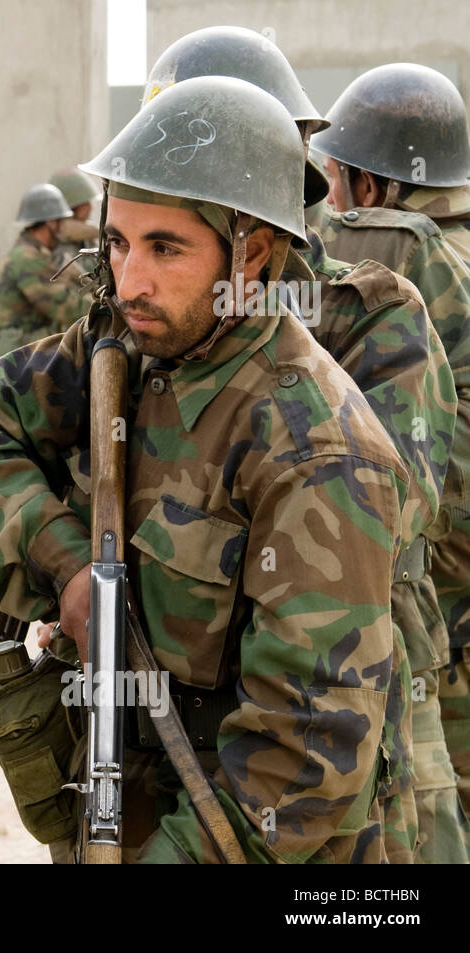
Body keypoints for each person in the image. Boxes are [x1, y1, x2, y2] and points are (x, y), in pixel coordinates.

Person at [0, 76, 405, 863]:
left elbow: (302, 772)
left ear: (253, 251)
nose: (129, 280)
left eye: (165, 248)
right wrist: (70, 567)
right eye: (117, 242)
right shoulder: (127, 345)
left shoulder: (320, 453)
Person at [142, 24, 467, 864]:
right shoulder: (139, 330)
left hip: (354, 759)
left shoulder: (371, 315)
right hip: (167, 753)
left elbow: (376, 529)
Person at [313, 62, 470, 858]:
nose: (327, 200)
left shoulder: (387, 253)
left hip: (436, 606)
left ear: (371, 189)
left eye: (334, 180)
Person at [0, 184, 90, 357]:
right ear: (51, 223)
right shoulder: (27, 258)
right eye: (62, 223)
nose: (65, 230)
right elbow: (68, 309)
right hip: (18, 353)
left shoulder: (35, 252)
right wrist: (108, 307)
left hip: (26, 347)